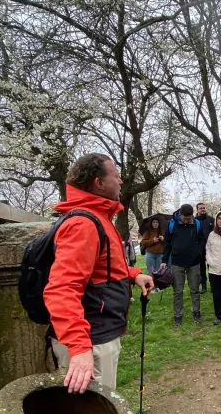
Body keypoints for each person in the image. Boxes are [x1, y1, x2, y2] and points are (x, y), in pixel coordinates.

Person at [43, 153, 154, 394]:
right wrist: (80, 347)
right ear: (99, 183)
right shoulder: (84, 224)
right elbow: (62, 288)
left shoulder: (98, 218)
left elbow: (104, 266)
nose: (122, 181)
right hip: (90, 341)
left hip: (97, 335)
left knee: (98, 411)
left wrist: (134, 274)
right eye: (116, 176)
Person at [161, 204, 205, 327]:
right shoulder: (172, 224)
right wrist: (164, 260)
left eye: (189, 217)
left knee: (195, 289)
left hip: (194, 262)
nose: (186, 219)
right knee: (177, 291)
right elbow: (167, 243)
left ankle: (196, 312)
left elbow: (202, 239)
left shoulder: (197, 224)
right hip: (177, 262)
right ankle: (178, 316)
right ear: (180, 214)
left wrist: (198, 251)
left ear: (192, 214)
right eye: (185, 217)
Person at [195, 202, 213, 294]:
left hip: (211, 247)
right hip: (199, 248)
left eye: (204, 208)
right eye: (201, 208)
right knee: (201, 267)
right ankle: (204, 286)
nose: (203, 209)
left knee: (212, 267)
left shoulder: (211, 219)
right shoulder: (194, 221)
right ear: (197, 210)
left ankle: (213, 285)